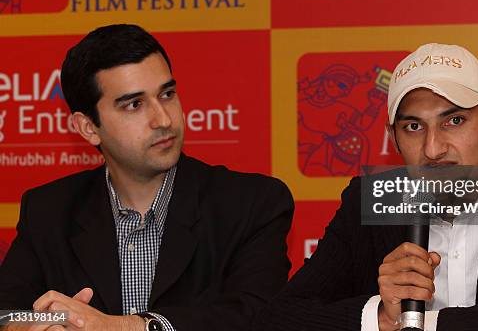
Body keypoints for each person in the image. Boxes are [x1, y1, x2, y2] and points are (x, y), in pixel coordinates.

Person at [254, 43, 478, 331]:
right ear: (392, 137)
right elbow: (281, 316)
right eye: (413, 127)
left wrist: (427, 324)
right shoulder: (372, 200)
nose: (433, 148)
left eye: (454, 120)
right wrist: (381, 318)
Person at [0, 24, 294, 331]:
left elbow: (258, 316)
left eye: (167, 94)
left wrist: (122, 327)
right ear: (88, 127)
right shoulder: (49, 210)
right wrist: (35, 325)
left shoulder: (252, 204)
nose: (164, 119)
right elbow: (6, 312)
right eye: (134, 105)